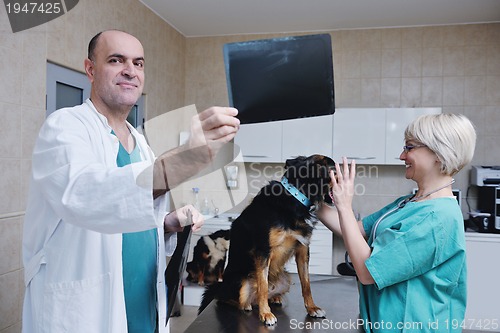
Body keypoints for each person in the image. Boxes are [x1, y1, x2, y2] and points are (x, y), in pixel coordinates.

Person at [22, 30, 240, 333]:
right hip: (88, 311)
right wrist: (186, 157)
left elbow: (129, 212)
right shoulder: (64, 128)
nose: (130, 70)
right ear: (90, 69)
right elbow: (88, 195)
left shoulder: (140, 143)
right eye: (116, 60)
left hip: (142, 305)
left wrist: (165, 223)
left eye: (138, 63)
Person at [318, 113, 476, 333]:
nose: (402, 155)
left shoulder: (437, 218)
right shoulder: (409, 202)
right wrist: (304, 197)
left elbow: (367, 273)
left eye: (409, 147)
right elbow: (357, 230)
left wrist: (344, 205)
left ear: (439, 153)